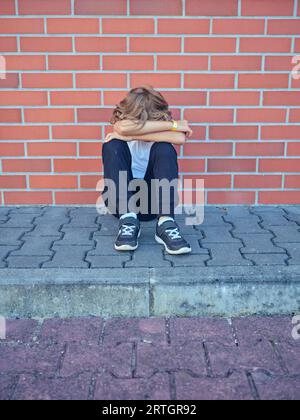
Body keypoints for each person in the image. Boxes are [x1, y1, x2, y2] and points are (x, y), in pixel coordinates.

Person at [102, 85, 193, 255]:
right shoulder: (123, 128)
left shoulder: (153, 133)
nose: (142, 121)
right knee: (112, 145)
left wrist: (133, 135)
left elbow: (180, 138)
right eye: (139, 119)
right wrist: (174, 125)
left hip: (152, 205)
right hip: (120, 204)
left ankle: (166, 222)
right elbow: (122, 128)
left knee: (165, 148)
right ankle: (128, 221)